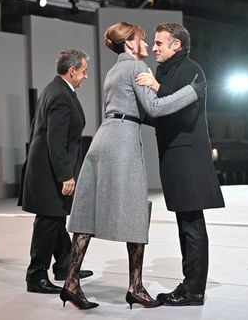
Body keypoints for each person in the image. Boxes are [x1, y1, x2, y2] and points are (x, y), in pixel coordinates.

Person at [61, 21, 204, 310]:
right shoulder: (137, 68)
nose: (146, 45)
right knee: (136, 210)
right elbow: (155, 108)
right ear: (129, 43)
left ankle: (71, 282)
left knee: (87, 212)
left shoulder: (113, 71)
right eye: (141, 39)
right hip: (124, 139)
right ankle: (135, 287)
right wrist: (192, 92)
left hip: (102, 138)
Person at [135, 22, 225, 306]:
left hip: (188, 158)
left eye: (159, 43)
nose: (153, 47)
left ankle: (194, 290)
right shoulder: (166, 70)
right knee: (185, 224)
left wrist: (156, 88)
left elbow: (184, 116)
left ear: (176, 45)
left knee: (192, 225)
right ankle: (190, 285)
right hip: (175, 157)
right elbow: (161, 114)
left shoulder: (191, 70)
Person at [20, 49, 93, 294]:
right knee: (48, 221)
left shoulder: (56, 89)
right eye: (83, 71)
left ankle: (63, 266)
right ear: (71, 71)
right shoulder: (61, 95)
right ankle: (35, 275)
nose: (86, 76)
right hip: (50, 171)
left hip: (46, 168)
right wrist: (66, 175)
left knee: (55, 217)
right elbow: (55, 140)